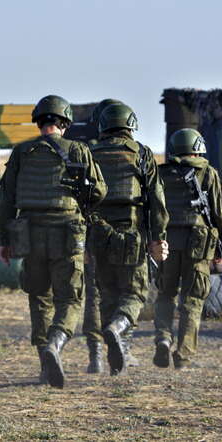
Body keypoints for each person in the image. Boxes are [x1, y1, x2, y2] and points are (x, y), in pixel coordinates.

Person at [0, 95, 107, 388]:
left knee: (39, 297)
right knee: (69, 297)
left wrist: (4, 239)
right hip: (67, 232)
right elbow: (99, 192)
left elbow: (5, 199)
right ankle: (55, 344)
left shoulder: (21, 152)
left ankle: (45, 366)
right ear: (65, 123)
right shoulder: (79, 150)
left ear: (39, 121)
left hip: (29, 232)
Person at [88, 102, 169, 375]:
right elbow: (156, 201)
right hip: (132, 236)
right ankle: (117, 329)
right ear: (130, 125)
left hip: (98, 236)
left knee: (108, 295)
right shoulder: (142, 154)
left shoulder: (91, 154)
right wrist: (158, 238)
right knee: (134, 293)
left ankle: (119, 353)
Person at [154, 128, 222, 369]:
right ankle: (184, 354)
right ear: (198, 147)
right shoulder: (208, 173)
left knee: (165, 293)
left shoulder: (161, 174)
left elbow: (153, 208)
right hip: (199, 244)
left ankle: (163, 339)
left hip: (167, 241)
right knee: (193, 299)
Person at [69, 98, 121, 374]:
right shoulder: (132, 151)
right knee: (122, 290)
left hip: (90, 228)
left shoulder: (81, 149)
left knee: (93, 293)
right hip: (125, 230)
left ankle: (96, 355)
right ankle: (118, 346)